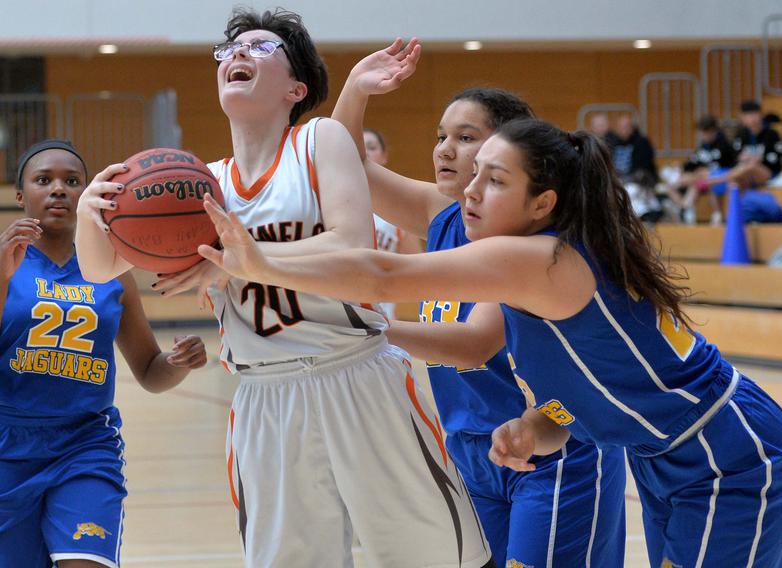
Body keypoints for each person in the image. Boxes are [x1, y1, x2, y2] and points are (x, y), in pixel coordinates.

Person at [199, 118, 782, 568]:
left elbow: (383, 275)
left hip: (728, 453)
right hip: (665, 458)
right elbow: (600, 386)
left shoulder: (540, 259)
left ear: (543, 203)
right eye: (473, 176)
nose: (470, 191)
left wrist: (257, 262)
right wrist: (538, 426)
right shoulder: (528, 279)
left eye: (494, 180)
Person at [74, 9, 492, 568]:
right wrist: (90, 212)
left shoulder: (320, 141)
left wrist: (239, 263)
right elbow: (101, 270)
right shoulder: (201, 184)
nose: (238, 55)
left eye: (260, 46)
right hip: (263, 399)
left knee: (435, 556)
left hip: (355, 373)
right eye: (229, 50)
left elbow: (349, 244)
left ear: (296, 88)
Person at [332, 41, 625, 567]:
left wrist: (364, 329)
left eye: (465, 138)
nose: (444, 149)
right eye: (441, 136)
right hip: (470, 447)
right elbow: (342, 169)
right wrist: (355, 89)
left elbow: (472, 345)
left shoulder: (532, 244)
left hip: (551, 446)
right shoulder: (442, 214)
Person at [0, 140, 207, 568]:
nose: (59, 190)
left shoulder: (112, 270)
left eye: (72, 181)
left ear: (88, 194)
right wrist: (2, 277)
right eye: (43, 180)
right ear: (21, 195)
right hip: (2, 446)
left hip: (85, 443)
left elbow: (149, 370)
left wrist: (177, 364)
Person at [362, 127, 423, 320]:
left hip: (383, 319)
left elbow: (419, 270)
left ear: (384, 155)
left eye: (371, 147)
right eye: (358, 146)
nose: (364, 152)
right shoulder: (327, 203)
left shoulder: (398, 211)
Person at [667, 115, 738, 223]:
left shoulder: (725, 145)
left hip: (720, 179)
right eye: (702, 133)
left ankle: (710, 213)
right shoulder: (703, 146)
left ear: (713, 131)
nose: (703, 136)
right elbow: (691, 163)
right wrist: (680, 166)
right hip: (701, 180)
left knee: (701, 177)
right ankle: (684, 209)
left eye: (705, 133)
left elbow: (732, 166)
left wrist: (705, 172)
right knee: (672, 185)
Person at [605, 113, 658, 184]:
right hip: (618, 177)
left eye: (626, 127)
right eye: (620, 127)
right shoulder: (613, 142)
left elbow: (644, 166)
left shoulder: (642, 142)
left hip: (637, 178)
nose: (623, 130)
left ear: (632, 128)